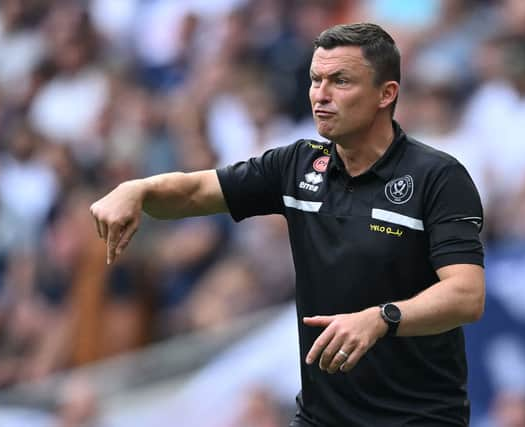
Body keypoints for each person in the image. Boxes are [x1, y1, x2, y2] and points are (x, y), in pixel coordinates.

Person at [90, 23, 485, 427]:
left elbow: (466, 295)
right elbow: (195, 191)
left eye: (340, 81)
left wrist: (381, 318)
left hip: (417, 418)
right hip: (321, 418)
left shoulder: (438, 177)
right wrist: (136, 189)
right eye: (316, 80)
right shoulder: (297, 165)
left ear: (386, 94)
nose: (321, 95)